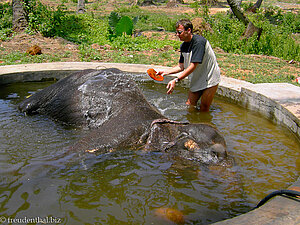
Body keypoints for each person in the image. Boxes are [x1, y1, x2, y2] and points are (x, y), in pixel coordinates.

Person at [158, 19, 220, 112]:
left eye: (180, 32)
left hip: (209, 78)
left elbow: (193, 66)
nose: (177, 35)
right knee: (190, 106)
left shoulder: (199, 43)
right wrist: (165, 72)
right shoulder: (184, 46)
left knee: (204, 108)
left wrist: (176, 79)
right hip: (197, 78)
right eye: (176, 32)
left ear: (189, 30)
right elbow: (181, 66)